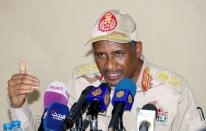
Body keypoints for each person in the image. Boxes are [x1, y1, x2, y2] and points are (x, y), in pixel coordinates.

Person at [7, 9, 206, 131]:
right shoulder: (82, 82)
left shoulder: (173, 90)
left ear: (137, 50)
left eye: (118, 53)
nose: (109, 66)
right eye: (100, 55)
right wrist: (19, 105)